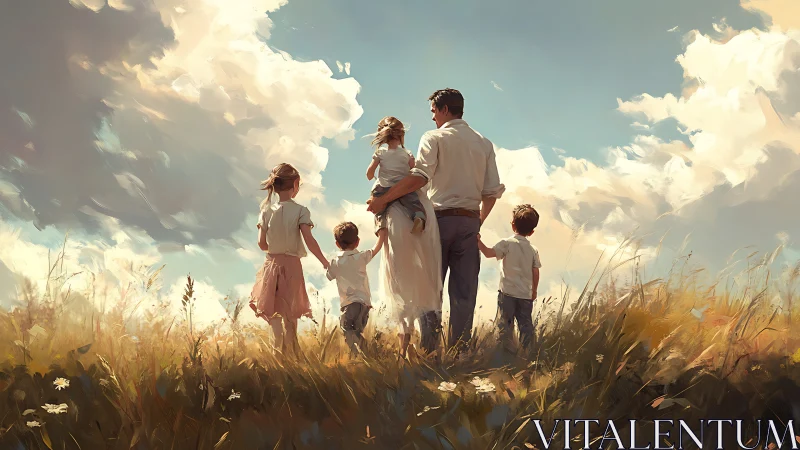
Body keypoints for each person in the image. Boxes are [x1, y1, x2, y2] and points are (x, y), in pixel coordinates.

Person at [367, 88, 505, 355]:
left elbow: (419, 177)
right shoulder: (484, 143)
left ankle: (430, 352)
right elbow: (491, 193)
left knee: (429, 287)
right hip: (469, 222)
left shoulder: (434, 137)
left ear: (443, 110)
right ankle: (460, 353)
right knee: (464, 292)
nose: (432, 118)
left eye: (433, 111)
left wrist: (384, 201)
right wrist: (477, 221)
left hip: (437, 221)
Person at [250, 163, 329, 357]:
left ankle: (277, 357)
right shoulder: (301, 211)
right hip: (292, 266)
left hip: (271, 265)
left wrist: (276, 248)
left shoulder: (266, 211)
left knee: (274, 313)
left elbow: (261, 244)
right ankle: (293, 358)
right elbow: (309, 240)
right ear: (295, 184)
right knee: (290, 316)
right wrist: (324, 262)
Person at [477, 204, 542, 351]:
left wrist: (477, 240)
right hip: (525, 295)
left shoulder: (506, 244)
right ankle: (528, 354)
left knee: (505, 327)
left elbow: (488, 253)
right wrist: (534, 291)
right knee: (526, 326)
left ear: (513, 225)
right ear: (532, 232)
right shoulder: (533, 250)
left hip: (507, 294)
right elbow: (535, 272)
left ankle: (506, 356)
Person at [326, 222, 388, 358]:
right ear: (358, 241)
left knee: (347, 330)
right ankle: (364, 355)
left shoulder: (336, 262)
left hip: (349, 304)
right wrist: (382, 232)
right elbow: (377, 247)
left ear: (337, 244)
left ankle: (366, 352)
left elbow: (329, 275)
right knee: (356, 331)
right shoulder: (362, 257)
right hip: (365, 305)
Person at [366, 116, 427, 235]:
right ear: (401, 136)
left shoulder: (380, 152)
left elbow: (370, 171)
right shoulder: (407, 153)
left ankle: (380, 223)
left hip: (384, 187)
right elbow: (414, 169)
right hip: (402, 187)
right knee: (413, 202)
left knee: (377, 201)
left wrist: (371, 176)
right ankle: (418, 216)